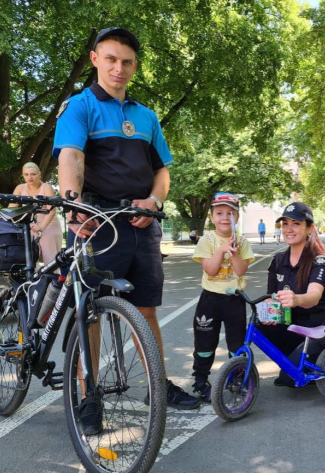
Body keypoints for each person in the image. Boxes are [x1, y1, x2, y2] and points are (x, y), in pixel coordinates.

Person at [53, 27, 201, 434]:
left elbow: (162, 171)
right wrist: (72, 205)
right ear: (95, 59)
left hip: (142, 226)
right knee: (93, 314)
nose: (119, 68)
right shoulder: (80, 106)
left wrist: (153, 202)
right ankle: (89, 395)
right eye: (112, 59)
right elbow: (71, 156)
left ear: (135, 66)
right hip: (96, 224)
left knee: (148, 309)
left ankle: (157, 384)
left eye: (128, 61)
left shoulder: (146, 115)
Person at [259, 202, 325, 388]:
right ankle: (298, 358)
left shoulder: (319, 260)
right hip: (297, 323)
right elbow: (271, 297)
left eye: (296, 224)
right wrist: (270, 311)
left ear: (309, 228)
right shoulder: (278, 260)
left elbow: (313, 296)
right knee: (260, 327)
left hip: (324, 324)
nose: (289, 229)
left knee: (289, 379)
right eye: (285, 224)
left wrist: (297, 299)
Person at [191, 193, 254, 401]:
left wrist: (234, 251)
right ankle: (201, 380)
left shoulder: (242, 241)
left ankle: (236, 378)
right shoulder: (206, 240)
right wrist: (221, 250)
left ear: (237, 216)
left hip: (234, 300)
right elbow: (209, 269)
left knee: (236, 344)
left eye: (230, 213)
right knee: (205, 343)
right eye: (219, 213)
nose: (225, 218)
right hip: (210, 300)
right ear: (211, 216)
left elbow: (241, 269)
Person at [11, 162, 63, 271]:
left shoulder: (46, 187)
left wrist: (42, 227)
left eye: (33, 174)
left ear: (39, 174)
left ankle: (53, 285)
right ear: (23, 175)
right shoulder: (20, 188)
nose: (30, 177)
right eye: (26, 174)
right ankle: (34, 285)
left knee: (51, 262)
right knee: (30, 259)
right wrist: (25, 222)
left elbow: (52, 210)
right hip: (30, 224)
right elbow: (12, 209)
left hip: (49, 224)